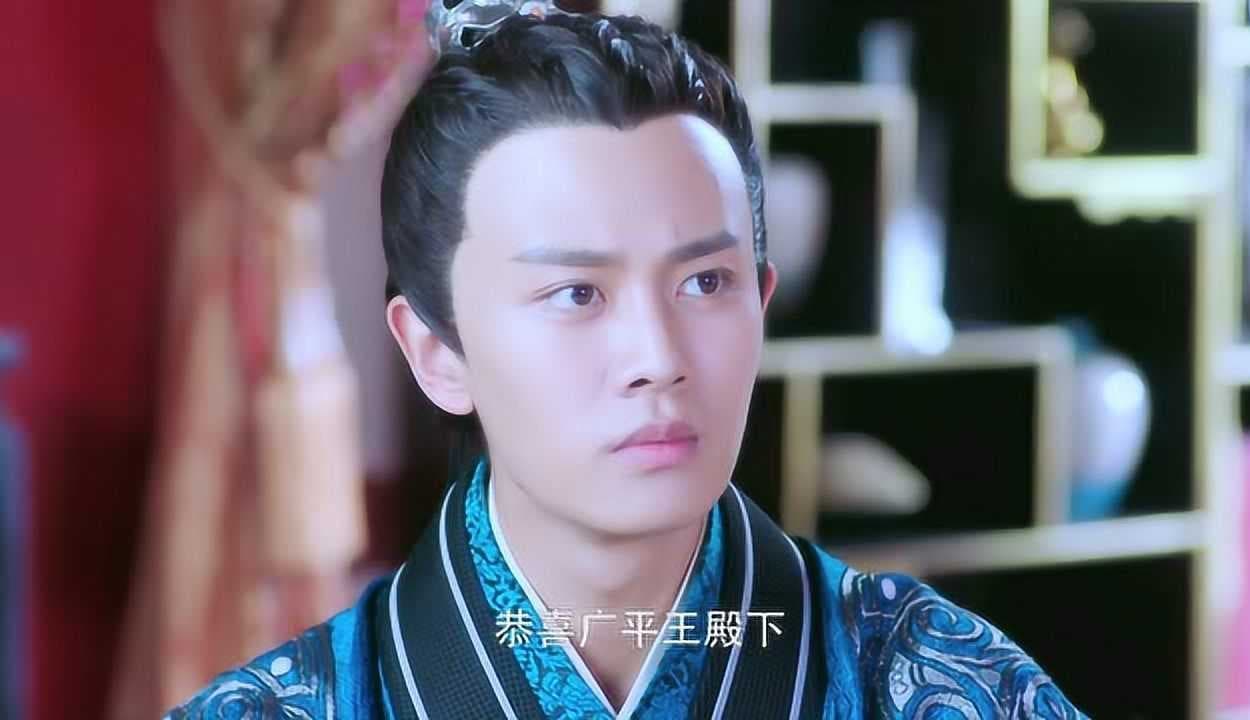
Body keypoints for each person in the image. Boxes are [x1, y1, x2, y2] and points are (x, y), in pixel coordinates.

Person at [166, 6, 1087, 719]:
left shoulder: (946, 685)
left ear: (762, 304)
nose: (657, 359)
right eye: (577, 294)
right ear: (437, 353)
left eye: (705, 283)